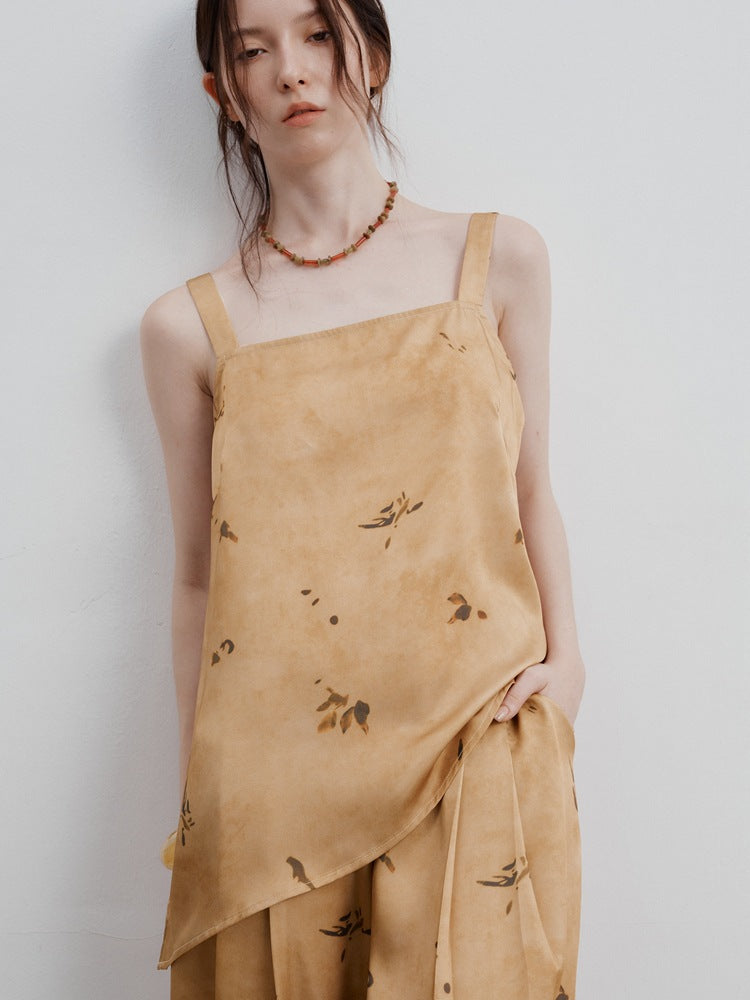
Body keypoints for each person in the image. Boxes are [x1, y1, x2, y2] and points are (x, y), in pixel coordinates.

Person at [139, 0, 587, 996]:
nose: (292, 70)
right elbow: (197, 577)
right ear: (223, 94)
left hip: (476, 747)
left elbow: (530, 483)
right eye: (253, 50)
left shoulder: (498, 258)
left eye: (318, 34)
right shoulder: (188, 327)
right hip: (274, 788)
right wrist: (201, 796)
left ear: (372, 56)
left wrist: (567, 668)